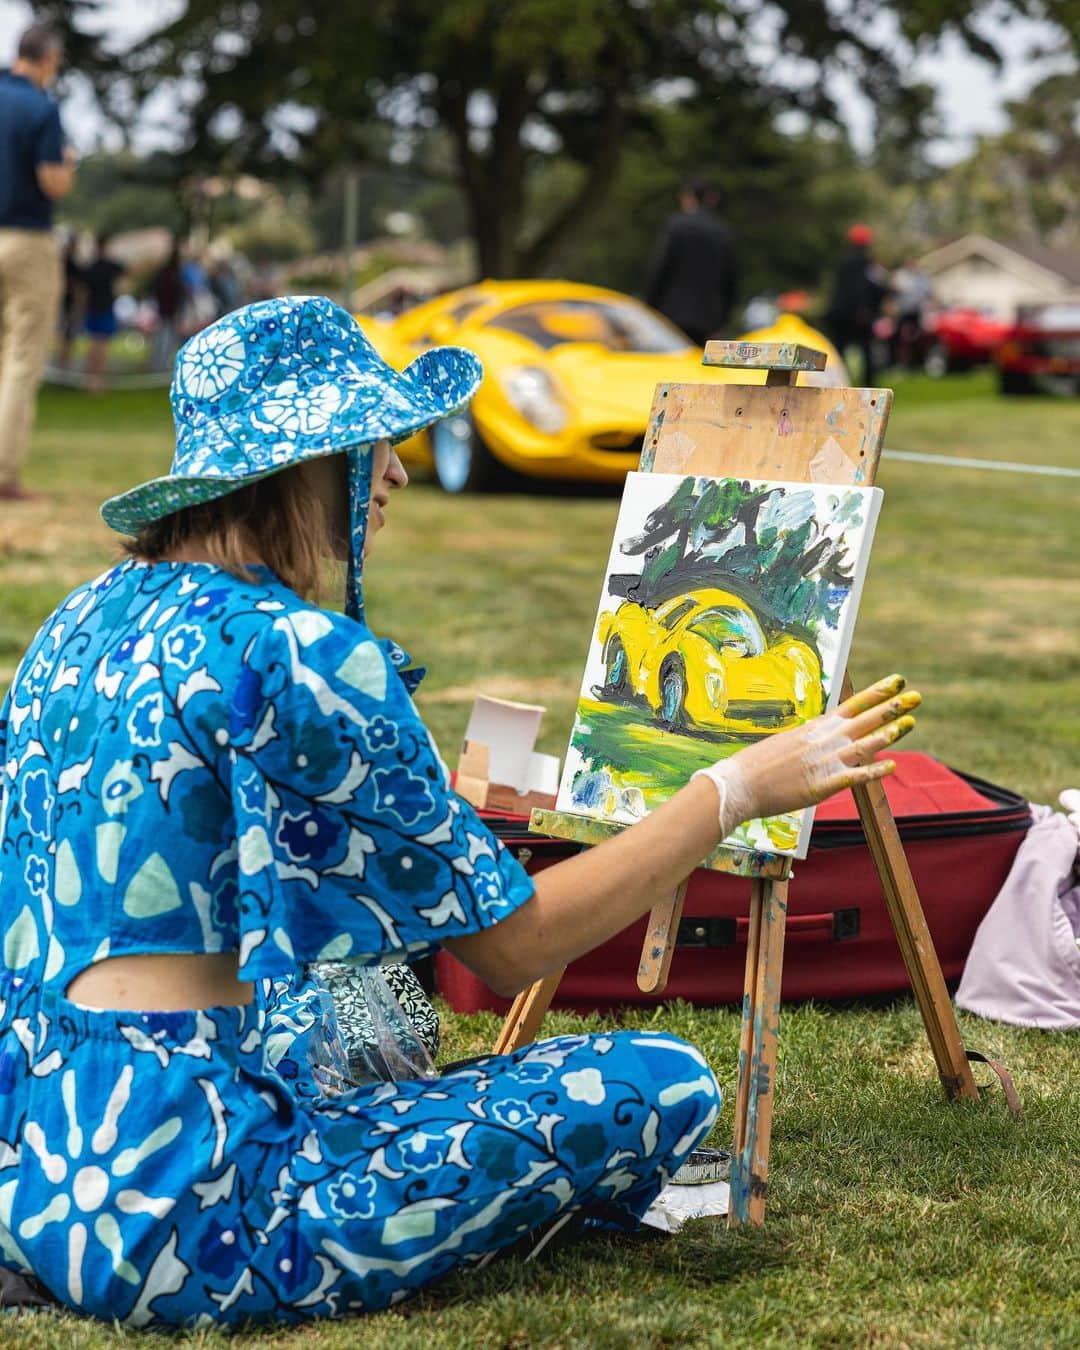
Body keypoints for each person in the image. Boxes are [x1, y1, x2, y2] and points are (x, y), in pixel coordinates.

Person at [0, 295, 918, 1328]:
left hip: (37, 1159)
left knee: (377, 1004)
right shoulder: (302, 650)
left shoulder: (81, 618)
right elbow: (518, 950)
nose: (395, 469)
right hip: (186, 1224)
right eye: (370, 441)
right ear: (299, 464)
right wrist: (735, 790)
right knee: (659, 1081)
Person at [0, 23, 74, 502]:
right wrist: (69, 164)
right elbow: (53, 183)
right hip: (24, 240)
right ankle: (3, 473)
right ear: (49, 58)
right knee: (22, 356)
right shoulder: (42, 109)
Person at [644, 179, 738, 346]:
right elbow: (731, 280)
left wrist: (649, 308)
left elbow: (660, 269)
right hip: (709, 319)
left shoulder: (676, 225)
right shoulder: (722, 230)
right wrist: (723, 320)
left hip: (671, 315)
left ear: (689, 197)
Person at [824, 224, 889, 386]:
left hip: (839, 314)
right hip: (860, 315)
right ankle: (869, 386)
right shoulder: (867, 263)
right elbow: (873, 287)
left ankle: (837, 384)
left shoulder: (842, 261)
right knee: (867, 351)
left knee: (839, 352)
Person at [82, 232, 124, 392]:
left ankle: (92, 380)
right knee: (102, 346)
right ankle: (98, 382)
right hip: (104, 309)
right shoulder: (109, 266)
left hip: (93, 309)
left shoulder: (91, 266)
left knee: (93, 345)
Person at [150, 238, 185, 371]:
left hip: (166, 311)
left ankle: (160, 364)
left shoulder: (165, 273)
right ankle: (160, 365)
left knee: (164, 339)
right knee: (165, 339)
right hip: (168, 311)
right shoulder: (173, 275)